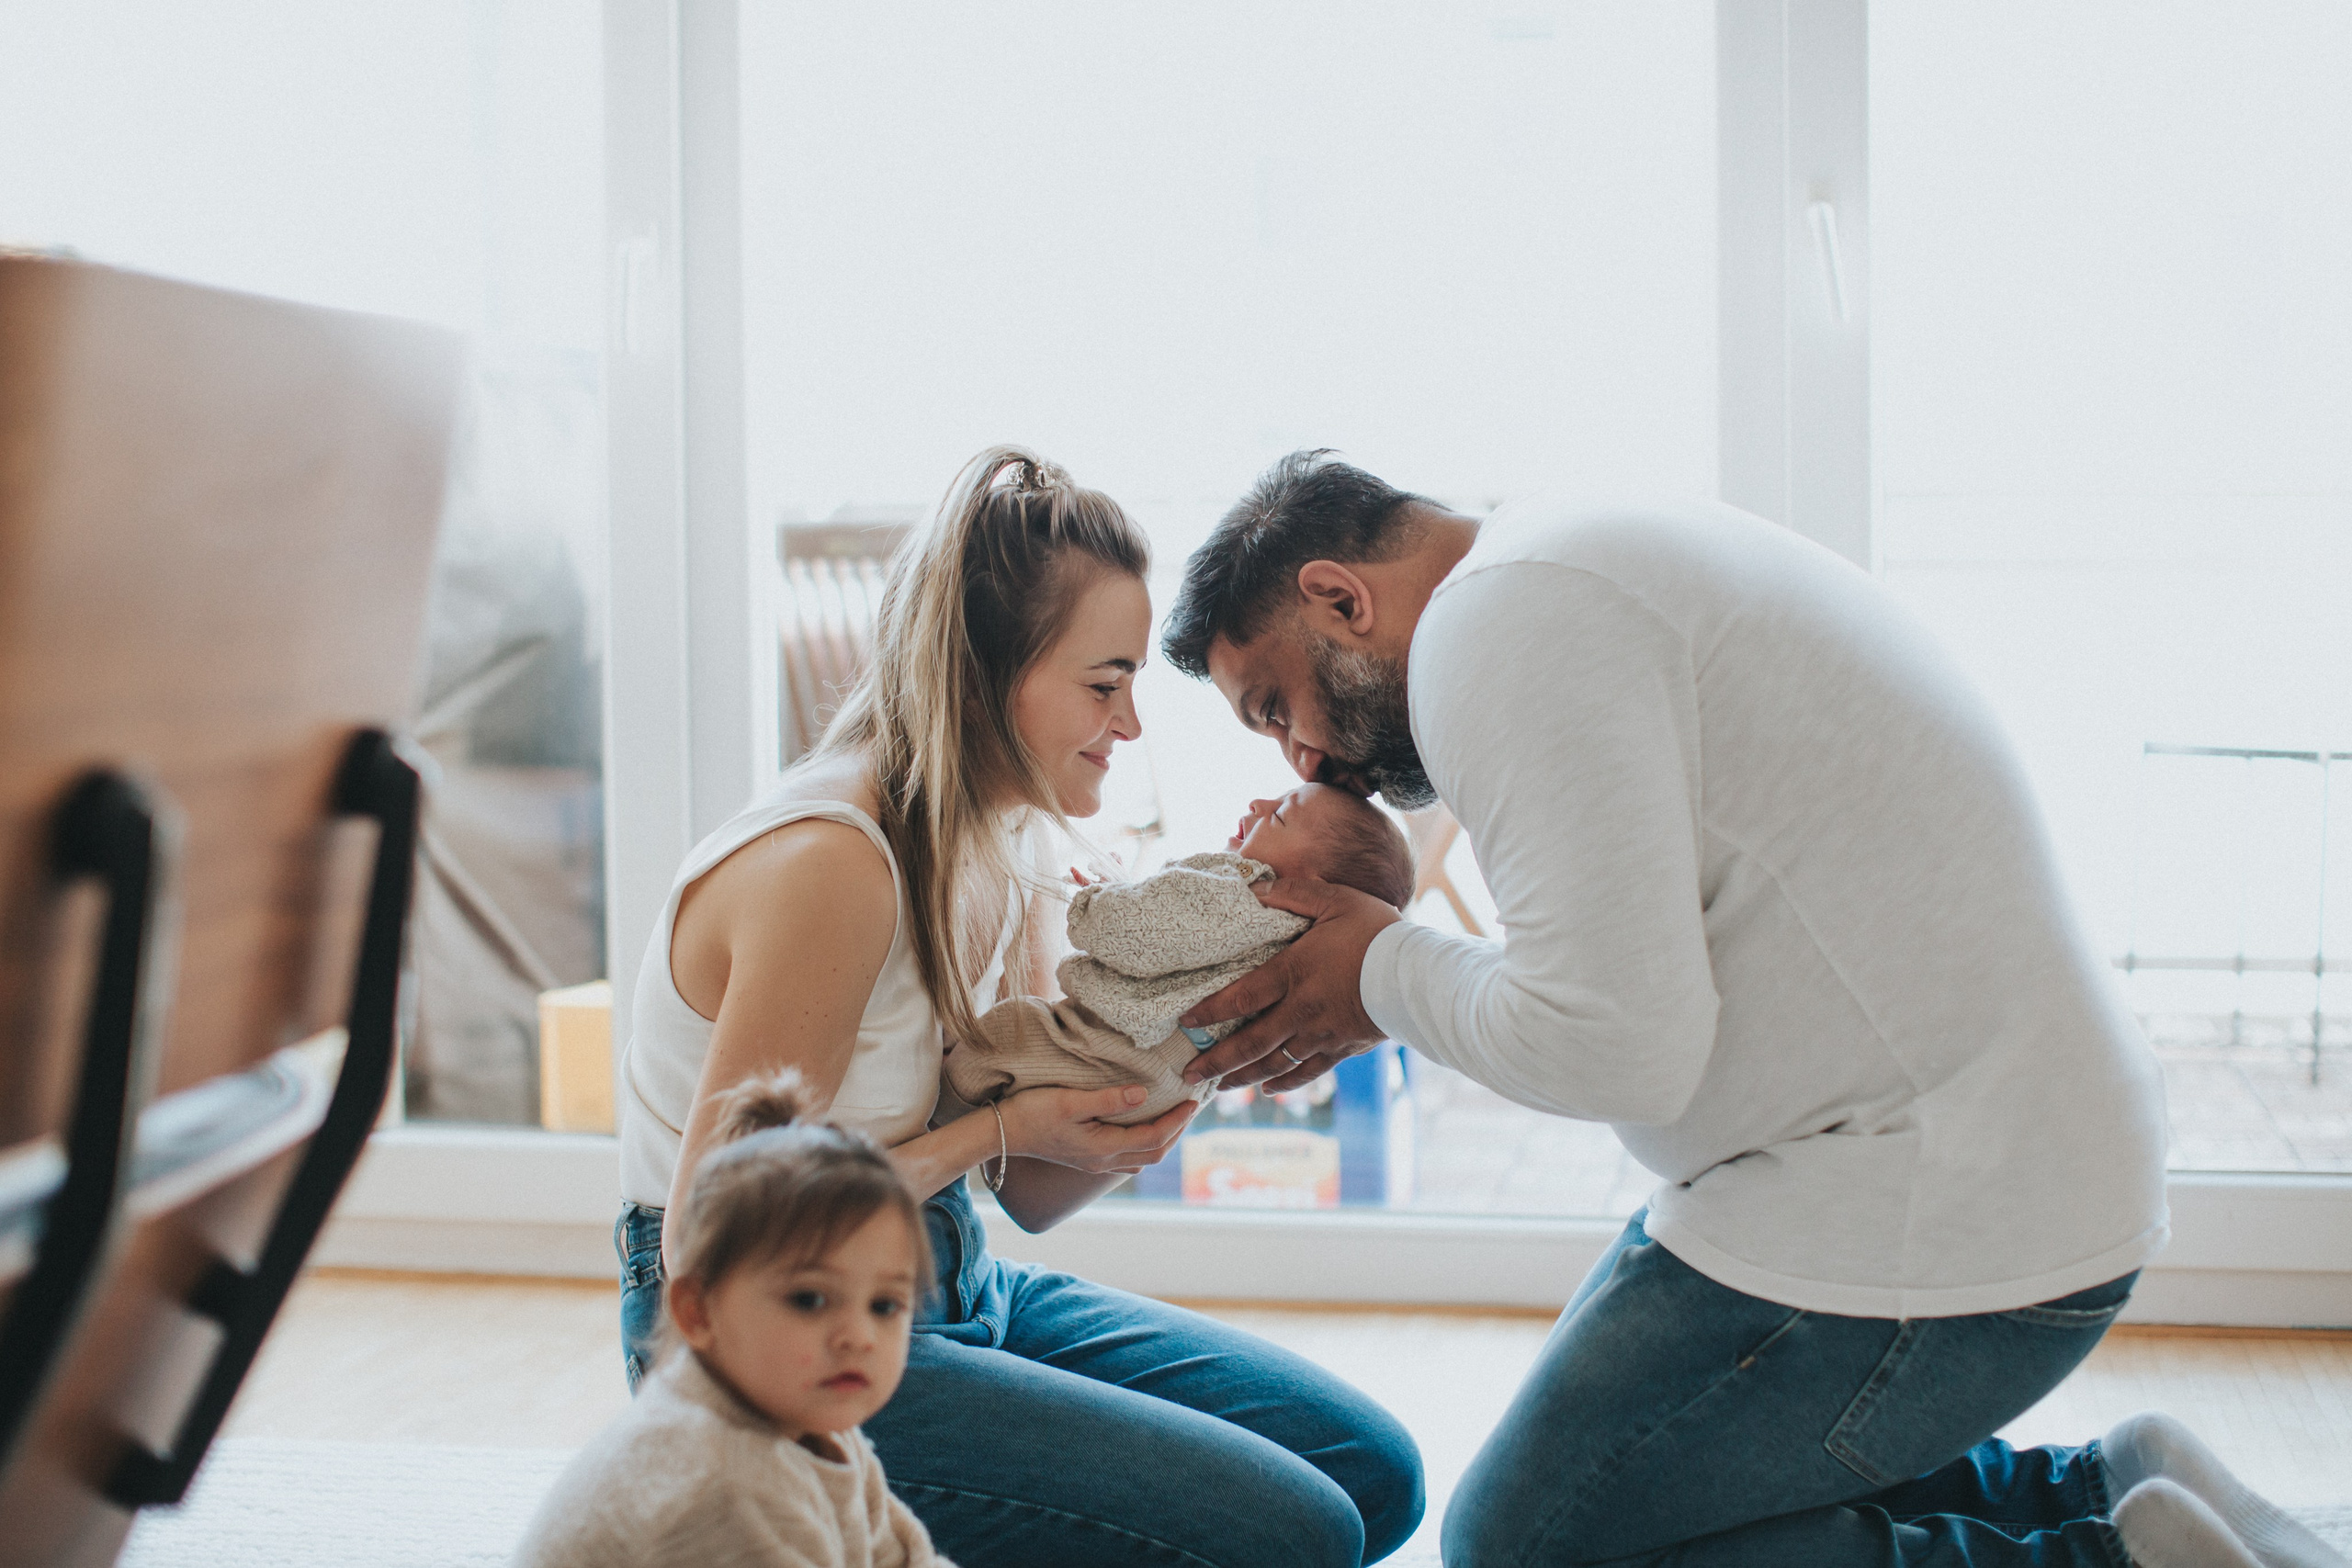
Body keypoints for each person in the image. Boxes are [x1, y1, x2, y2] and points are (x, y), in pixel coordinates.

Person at [1159, 452, 2339, 1568]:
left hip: (1944, 1203)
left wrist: (1376, 971)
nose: (1302, 762)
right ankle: (2093, 1492)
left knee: (1527, 1546)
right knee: (1619, 1500)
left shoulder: (1499, 629)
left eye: (1274, 705)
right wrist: (1387, 977)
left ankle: (2100, 1554)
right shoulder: (1562, 569)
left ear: (1337, 600)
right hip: (1961, 1162)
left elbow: (1617, 1051)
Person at [613, 446, 1424, 1568]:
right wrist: (999, 1128)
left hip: (944, 1274)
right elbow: (725, 1227)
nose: (1131, 723)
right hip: (772, 1339)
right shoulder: (827, 865)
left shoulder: (1002, 840)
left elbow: (1032, 1198)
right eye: (1103, 683)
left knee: (1372, 1475)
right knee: (1293, 1532)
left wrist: (1186, 1065)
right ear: (980, 675)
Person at [517, 1071, 954, 1567]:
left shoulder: (818, 1423)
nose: (859, 1336)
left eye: (884, 1306)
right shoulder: (724, 1489)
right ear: (697, 1312)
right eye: (809, 1300)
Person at [945, 783, 1413, 1122]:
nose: (1258, 802)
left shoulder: (1247, 895)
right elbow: (1180, 945)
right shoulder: (1302, 949)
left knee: (1007, 1032)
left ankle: (942, 1112)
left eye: (1281, 815)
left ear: (1311, 884)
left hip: (1125, 1050)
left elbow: (1139, 934)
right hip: (1166, 1086)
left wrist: (1096, 905)